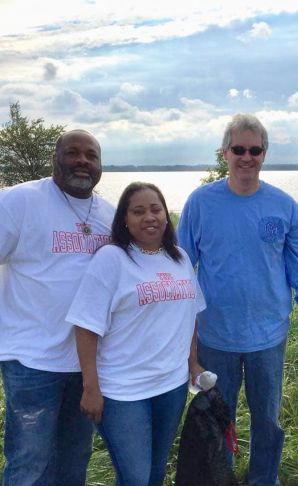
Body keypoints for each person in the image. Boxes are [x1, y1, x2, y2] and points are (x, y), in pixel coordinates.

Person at [177, 113, 298, 485]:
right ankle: (219, 478)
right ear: (225, 152)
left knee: (266, 419)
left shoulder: (284, 205)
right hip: (214, 335)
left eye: (255, 150)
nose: (247, 157)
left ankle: (262, 480)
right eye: (238, 149)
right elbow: (179, 267)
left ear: (264, 154)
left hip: (268, 336)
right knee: (215, 416)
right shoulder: (200, 203)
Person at [65, 182, 206, 485]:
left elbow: (190, 315)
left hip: (171, 385)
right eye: (138, 211)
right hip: (123, 392)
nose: (149, 217)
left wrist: (192, 363)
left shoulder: (179, 258)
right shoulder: (112, 259)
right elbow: (86, 326)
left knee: (155, 472)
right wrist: (91, 387)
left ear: (166, 215)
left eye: (156, 209)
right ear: (125, 220)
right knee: (136, 478)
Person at [0, 130, 115, 485]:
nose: (82, 161)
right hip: (30, 361)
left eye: (91, 155)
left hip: (87, 365)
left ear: (100, 165)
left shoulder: (110, 214)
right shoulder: (19, 202)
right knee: (29, 463)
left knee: (73, 461)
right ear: (55, 158)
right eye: (73, 153)